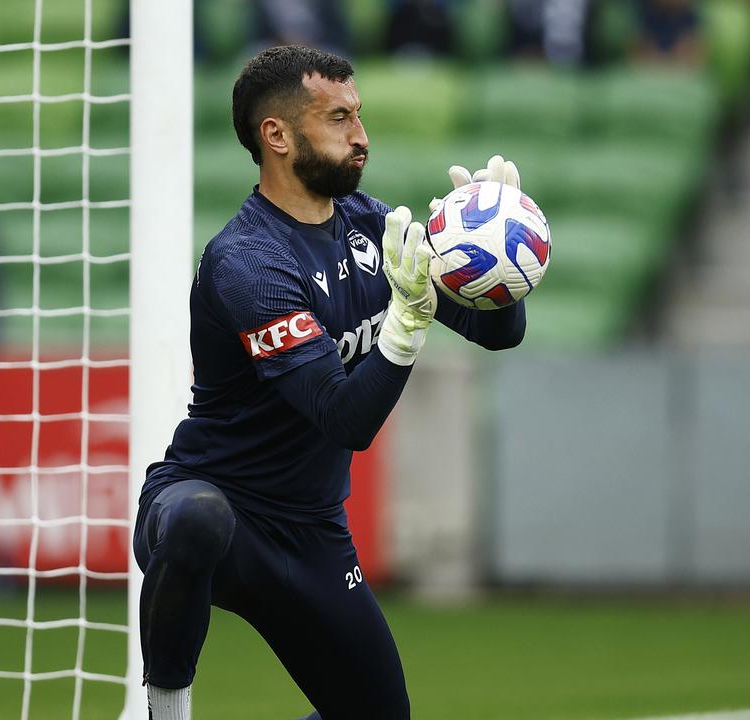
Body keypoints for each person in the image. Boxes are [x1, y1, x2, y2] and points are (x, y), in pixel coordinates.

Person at [133, 45, 527, 720]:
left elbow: (500, 332)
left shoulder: (373, 228)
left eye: (360, 115)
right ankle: (165, 713)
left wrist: (494, 257)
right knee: (199, 518)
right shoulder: (247, 261)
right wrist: (404, 326)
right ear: (277, 135)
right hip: (215, 508)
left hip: (313, 533)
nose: (361, 136)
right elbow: (344, 419)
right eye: (339, 117)